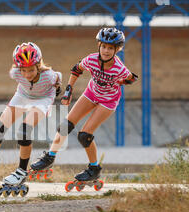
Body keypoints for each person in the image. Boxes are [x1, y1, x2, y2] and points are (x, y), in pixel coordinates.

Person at [30, 27, 138, 183]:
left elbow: (131, 78)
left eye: (110, 48)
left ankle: (94, 169)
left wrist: (121, 81)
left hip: (108, 101)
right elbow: (76, 70)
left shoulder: (119, 68)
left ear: (117, 50)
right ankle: (49, 157)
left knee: (84, 136)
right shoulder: (92, 59)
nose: (106, 51)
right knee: (65, 125)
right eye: (103, 46)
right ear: (99, 46)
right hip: (91, 94)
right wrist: (68, 90)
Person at [0, 42, 62, 196]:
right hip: (22, 96)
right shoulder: (15, 73)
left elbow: (59, 77)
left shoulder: (48, 76)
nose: (27, 74)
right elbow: (20, 77)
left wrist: (59, 88)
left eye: (31, 70)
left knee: (24, 130)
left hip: (43, 98)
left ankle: (21, 171)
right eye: (24, 70)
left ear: (38, 65)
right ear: (18, 68)